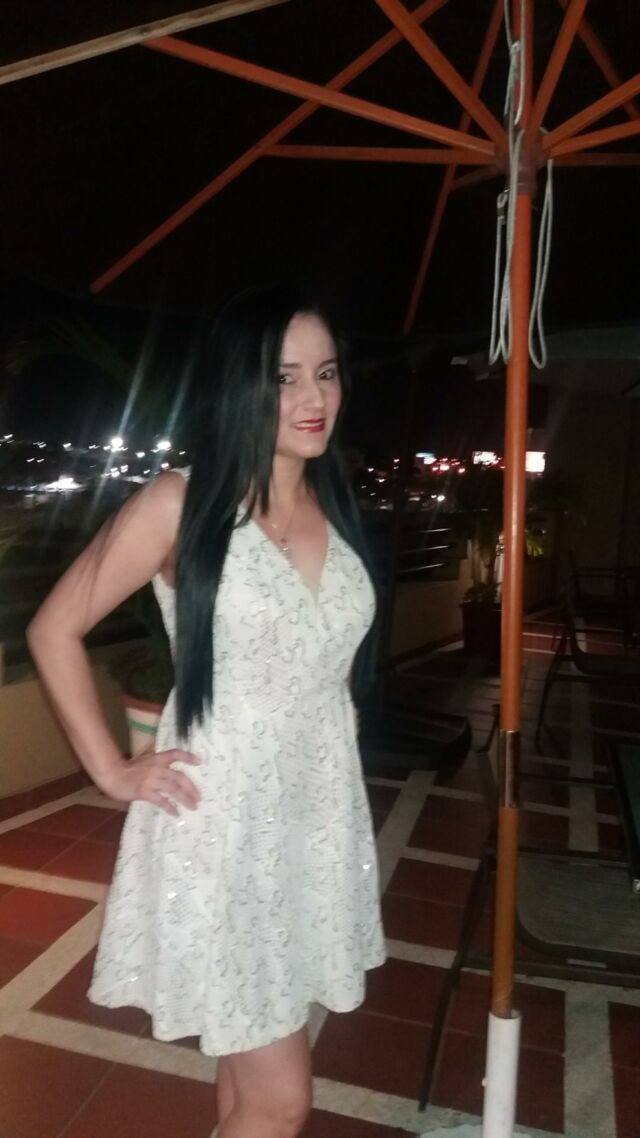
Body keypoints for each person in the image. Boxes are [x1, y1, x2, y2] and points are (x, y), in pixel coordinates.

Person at [27, 284, 386, 1138]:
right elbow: (53, 628)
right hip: (223, 825)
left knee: (246, 1064)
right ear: (238, 385)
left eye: (326, 372)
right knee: (281, 1101)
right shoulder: (181, 504)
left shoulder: (334, 504)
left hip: (313, 822)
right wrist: (111, 770)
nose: (313, 397)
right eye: (283, 377)